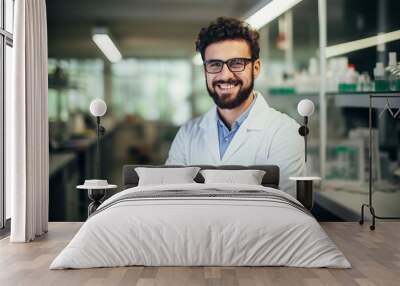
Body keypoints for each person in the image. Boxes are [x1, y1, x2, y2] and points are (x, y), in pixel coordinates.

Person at [165, 17, 305, 197]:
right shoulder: (187, 135)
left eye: (237, 63)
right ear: (205, 71)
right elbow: (169, 199)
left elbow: (285, 208)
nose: (225, 75)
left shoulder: (284, 133)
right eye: (215, 64)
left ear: (256, 67)